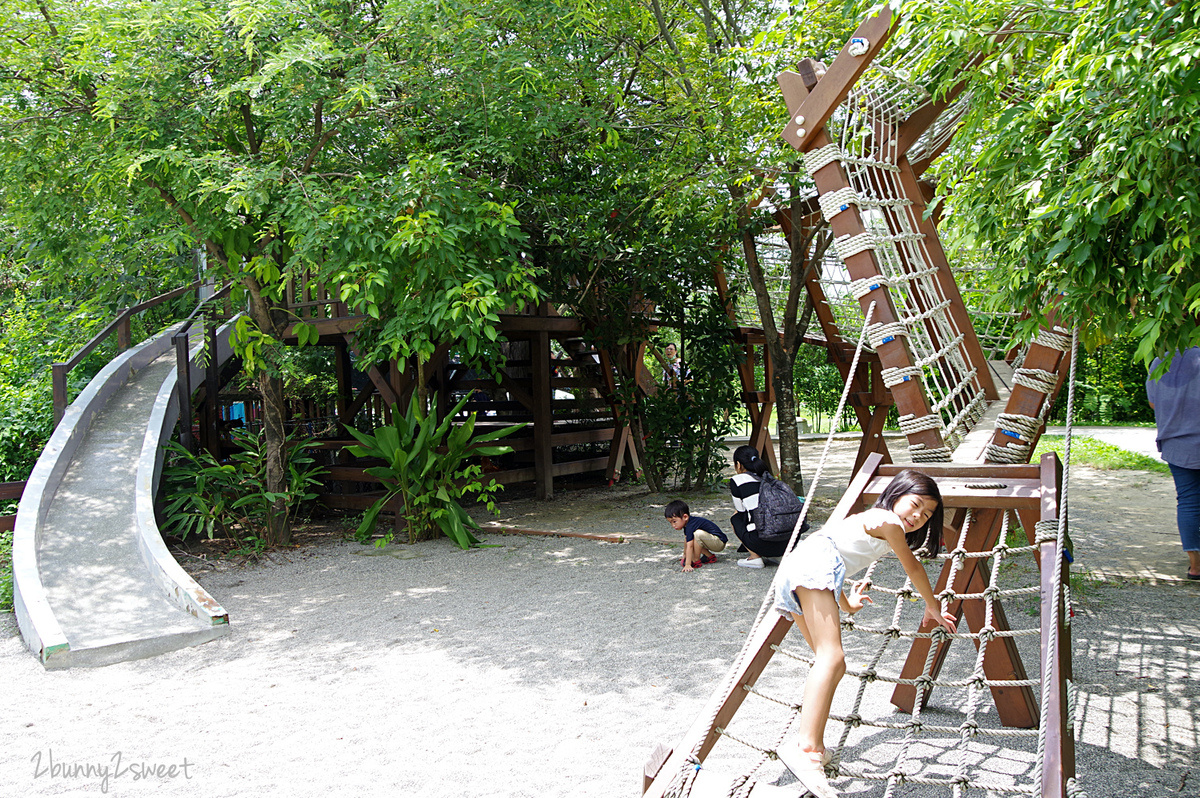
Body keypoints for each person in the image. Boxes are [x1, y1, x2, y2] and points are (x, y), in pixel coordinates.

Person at [772, 470, 956, 798]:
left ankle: (809, 744)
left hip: (803, 567)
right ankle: (806, 751)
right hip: (812, 566)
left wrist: (847, 603)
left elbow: (834, 555)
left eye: (926, 515)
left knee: (830, 663)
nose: (917, 516)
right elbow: (912, 567)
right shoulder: (889, 521)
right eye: (914, 505)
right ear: (895, 495)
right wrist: (933, 607)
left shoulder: (873, 520)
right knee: (832, 658)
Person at [1146, 346, 1200, 580]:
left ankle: (1196, 567)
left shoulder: (1160, 360)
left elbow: (1153, 403)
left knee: (1188, 501)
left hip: (1176, 442)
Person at [729, 445, 790, 568]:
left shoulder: (737, 480)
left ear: (738, 464)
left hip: (762, 542)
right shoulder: (769, 477)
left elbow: (741, 512)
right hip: (789, 542)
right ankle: (778, 555)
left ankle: (755, 557)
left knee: (735, 518)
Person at [664, 499, 727, 572]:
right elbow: (686, 541)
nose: (673, 525)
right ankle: (710, 557)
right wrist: (685, 556)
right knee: (691, 538)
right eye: (670, 523)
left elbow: (690, 546)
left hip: (718, 542)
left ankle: (696, 560)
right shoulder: (688, 524)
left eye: (674, 521)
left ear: (685, 517)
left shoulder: (691, 525)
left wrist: (688, 564)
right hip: (711, 541)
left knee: (697, 534)